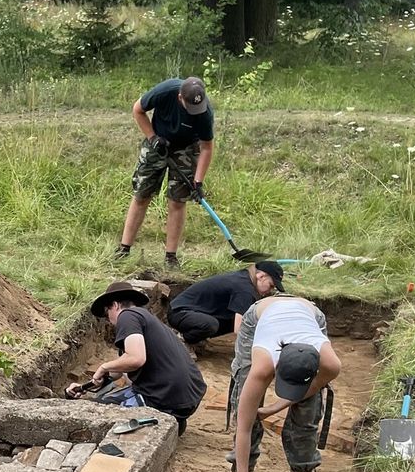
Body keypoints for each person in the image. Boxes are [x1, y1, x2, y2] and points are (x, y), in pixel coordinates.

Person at [220, 295, 341, 472]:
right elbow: (244, 428)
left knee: (308, 412)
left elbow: (307, 389)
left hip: (309, 315)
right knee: (245, 405)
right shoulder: (262, 366)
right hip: (260, 318)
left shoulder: (330, 364)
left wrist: (275, 407)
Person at [67, 281, 206, 433]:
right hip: (185, 397)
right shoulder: (146, 318)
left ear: (115, 305)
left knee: (96, 414)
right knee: (103, 401)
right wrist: (85, 386)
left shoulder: (127, 316)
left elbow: (136, 359)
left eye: (107, 313)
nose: (109, 320)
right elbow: (121, 369)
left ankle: (161, 418)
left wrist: (104, 366)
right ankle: (172, 421)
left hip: (164, 396)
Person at [117, 76, 215, 268]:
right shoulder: (165, 91)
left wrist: (198, 181)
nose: (195, 111)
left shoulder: (204, 112)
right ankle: (124, 248)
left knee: (177, 202)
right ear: (180, 98)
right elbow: (137, 110)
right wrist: (153, 138)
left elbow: (206, 148)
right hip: (158, 140)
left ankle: (171, 256)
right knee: (141, 195)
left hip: (187, 148)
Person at [168, 262, 284, 354]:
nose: (271, 291)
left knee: (231, 320)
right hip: (179, 312)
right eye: (271, 285)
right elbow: (239, 330)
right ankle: (183, 340)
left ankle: (196, 338)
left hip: (190, 311)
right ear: (261, 276)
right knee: (211, 325)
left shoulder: (245, 279)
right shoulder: (244, 289)